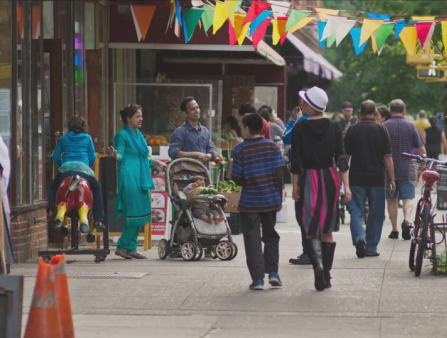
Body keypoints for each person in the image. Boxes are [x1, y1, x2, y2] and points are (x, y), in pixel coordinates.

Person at [291, 86, 351, 291]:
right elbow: (341, 158)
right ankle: (326, 273)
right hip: (330, 178)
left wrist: (295, 185)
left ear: (312, 105)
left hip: (308, 177)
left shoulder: (299, 127)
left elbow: (296, 160)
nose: (301, 104)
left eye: (304, 101)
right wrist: (347, 187)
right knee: (328, 227)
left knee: (310, 225)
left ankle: (316, 264)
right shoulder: (335, 127)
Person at [231, 113, 285, 291]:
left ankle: (258, 280)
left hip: (250, 202)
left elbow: (237, 177)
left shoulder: (240, 149)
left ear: (246, 128)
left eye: (242, 126)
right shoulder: (272, 146)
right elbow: (279, 172)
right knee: (270, 236)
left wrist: (248, 180)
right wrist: (279, 195)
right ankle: (274, 274)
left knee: (252, 239)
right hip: (270, 199)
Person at [109, 104, 167, 259]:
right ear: (128, 119)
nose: (141, 119)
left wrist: (158, 163)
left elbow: (143, 158)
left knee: (141, 213)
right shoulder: (122, 135)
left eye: (141, 116)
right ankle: (122, 247)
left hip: (141, 178)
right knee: (133, 214)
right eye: (137, 116)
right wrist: (115, 155)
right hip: (128, 177)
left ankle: (131, 249)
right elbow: (120, 155)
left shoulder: (139, 135)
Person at [344, 100, 396, 258]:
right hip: (377, 178)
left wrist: (342, 179)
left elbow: (345, 157)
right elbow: (387, 157)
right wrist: (392, 179)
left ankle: (359, 236)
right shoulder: (382, 130)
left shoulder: (352, 130)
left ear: (359, 113)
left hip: (356, 177)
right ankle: (371, 247)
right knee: (376, 213)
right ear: (375, 114)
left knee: (356, 211)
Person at [47, 116, 104, 233]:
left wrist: (63, 165)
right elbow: (92, 157)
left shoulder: (63, 139)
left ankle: (52, 210)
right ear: (83, 127)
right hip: (83, 170)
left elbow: (55, 156)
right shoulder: (87, 138)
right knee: (97, 190)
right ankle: (98, 219)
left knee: (52, 188)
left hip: (66, 170)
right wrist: (87, 165)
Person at [383, 100, 426, 240]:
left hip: (389, 171)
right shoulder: (410, 126)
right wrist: (423, 166)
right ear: (404, 111)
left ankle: (395, 230)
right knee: (408, 198)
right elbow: (421, 149)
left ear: (390, 111)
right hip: (407, 168)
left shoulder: (384, 126)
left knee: (392, 200)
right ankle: (407, 220)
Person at [168, 97, 216, 165]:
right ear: (185, 114)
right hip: (186, 173)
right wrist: (197, 154)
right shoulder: (180, 132)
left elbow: (211, 150)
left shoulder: (205, 131)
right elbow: (173, 152)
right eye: (193, 109)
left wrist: (207, 156)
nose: (197, 110)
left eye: (197, 107)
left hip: (203, 172)